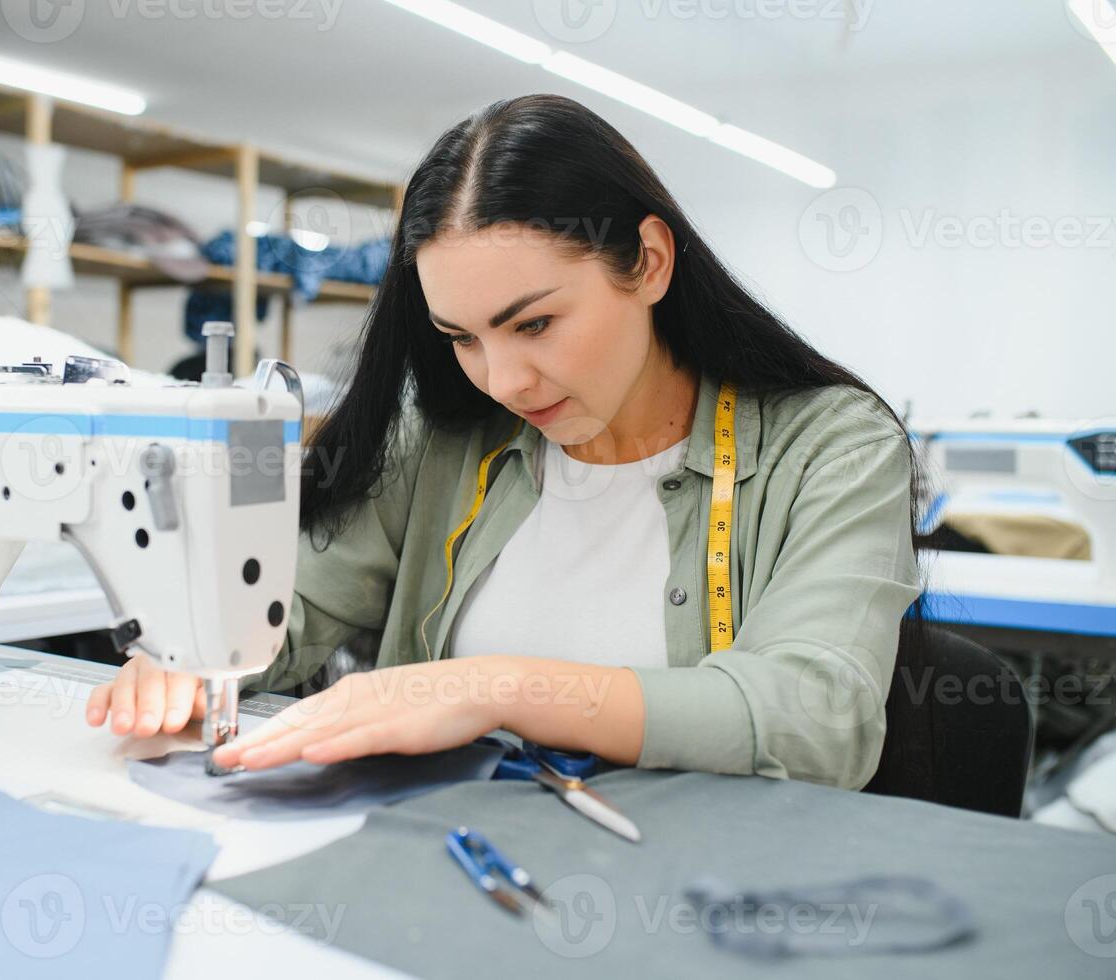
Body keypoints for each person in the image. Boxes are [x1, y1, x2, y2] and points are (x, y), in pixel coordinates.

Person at [86, 94, 922, 790]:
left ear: (650, 262)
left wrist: (492, 687)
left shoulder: (831, 447)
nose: (503, 381)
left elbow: (817, 719)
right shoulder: (443, 438)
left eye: (536, 323)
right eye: (461, 336)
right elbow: (287, 610)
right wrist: (190, 652)